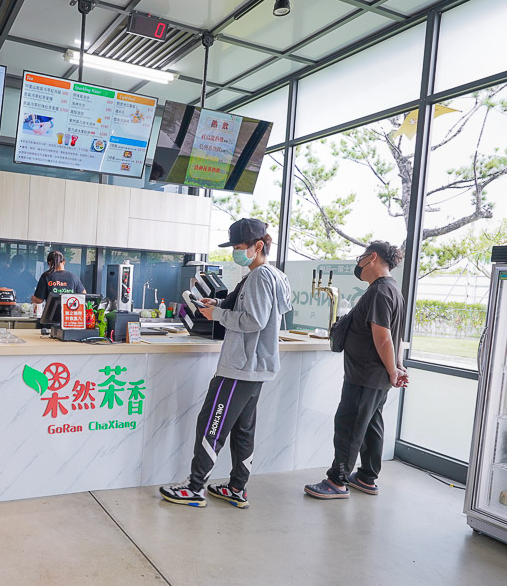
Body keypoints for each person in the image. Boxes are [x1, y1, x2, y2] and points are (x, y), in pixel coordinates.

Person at [159, 218, 292, 509]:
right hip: (256, 367)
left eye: (239, 246)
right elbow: (256, 311)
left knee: (211, 423)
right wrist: (219, 306)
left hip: (240, 366)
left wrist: (216, 316)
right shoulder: (274, 276)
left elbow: (254, 320)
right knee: (243, 429)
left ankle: (195, 488)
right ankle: (237, 488)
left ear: (258, 246)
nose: (235, 251)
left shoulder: (259, 277)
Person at [305, 241, 407, 500]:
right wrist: (395, 367)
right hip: (375, 375)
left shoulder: (379, 292)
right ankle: (366, 477)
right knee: (371, 424)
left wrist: (393, 370)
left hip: (365, 374)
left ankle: (337, 481)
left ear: (372, 257)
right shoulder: (392, 290)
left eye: (361, 258)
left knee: (349, 425)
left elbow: (384, 337)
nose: (358, 263)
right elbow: (394, 336)